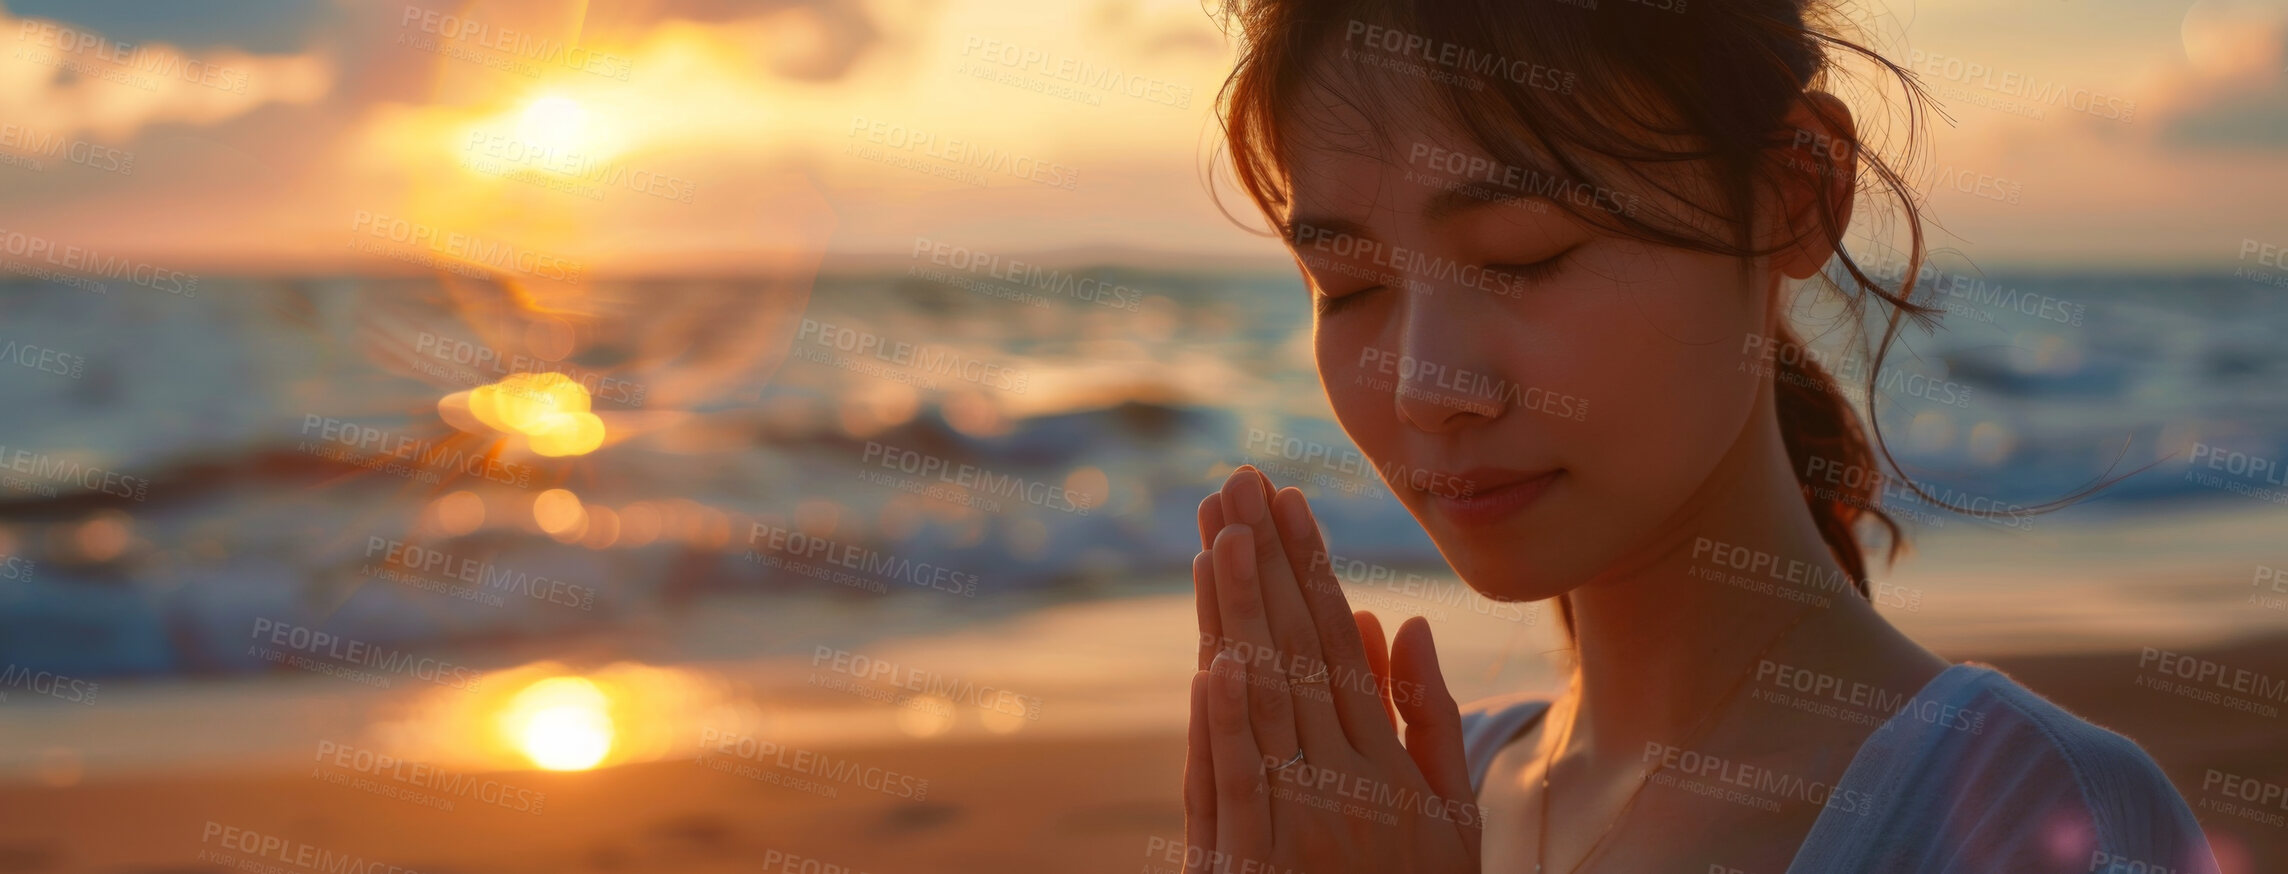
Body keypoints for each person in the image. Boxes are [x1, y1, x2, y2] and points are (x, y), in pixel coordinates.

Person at [1179, 1, 2223, 871]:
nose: (1423, 387)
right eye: (1346, 286)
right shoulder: (1412, 796)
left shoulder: (2027, 817)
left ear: (1792, 194)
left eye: (1522, 255)